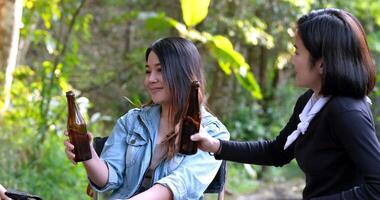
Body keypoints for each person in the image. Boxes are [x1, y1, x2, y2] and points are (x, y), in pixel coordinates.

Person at [191, 8, 380, 199]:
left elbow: (377, 187)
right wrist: (215, 145)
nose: (292, 60)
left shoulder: (347, 111)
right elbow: (276, 152)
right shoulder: (311, 102)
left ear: (321, 64)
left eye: (297, 52)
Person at [64, 37, 230, 200]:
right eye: (148, 71)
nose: (150, 79)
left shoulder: (213, 133)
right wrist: (88, 153)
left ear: (182, 73)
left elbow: (180, 184)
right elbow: (109, 178)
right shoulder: (132, 121)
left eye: (160, 70)